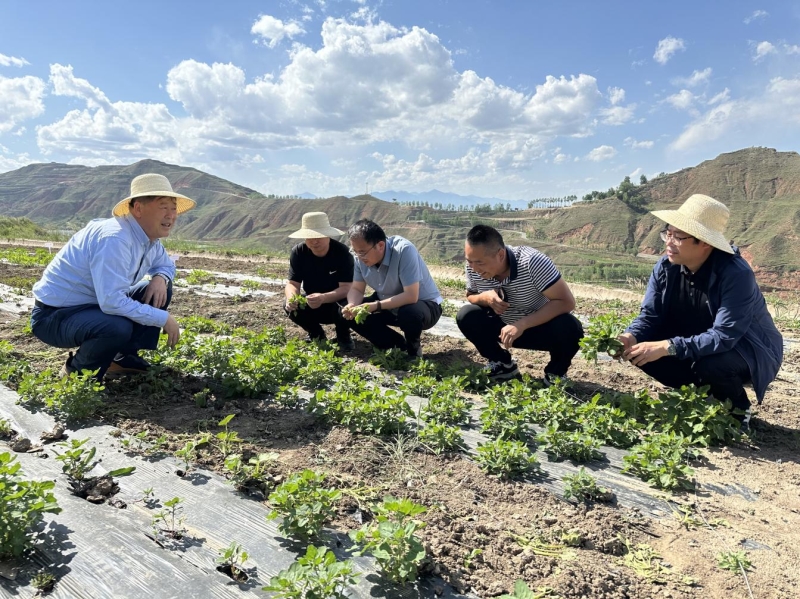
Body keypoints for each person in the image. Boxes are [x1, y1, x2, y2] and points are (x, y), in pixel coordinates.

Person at [620, 194, 783, 429]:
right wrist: (631, 335)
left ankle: (738, 410)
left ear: (705, 242)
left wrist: (667, 346)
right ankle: (703, 394)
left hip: (747, 349)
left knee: (712, 366)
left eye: (678, 237)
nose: (669, 242)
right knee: (640, 349)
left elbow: (724, 336)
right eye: (668, 233)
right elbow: (650, 316)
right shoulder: (666, 267)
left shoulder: (735, 274)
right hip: (697, 338)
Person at [30, 173, 192, 379]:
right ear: (138, 209)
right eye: (163, 207)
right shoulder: (115, 238)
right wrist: (163, 318)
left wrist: (160, 277)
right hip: (55, 316)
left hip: (93, 306)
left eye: (173, 208)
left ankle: (120, 358)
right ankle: (77, 374)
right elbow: (112, 302)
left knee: (158, 289)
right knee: (116, 327)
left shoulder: (148, 240)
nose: (171, 215)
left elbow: (166, 265)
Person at [456, 224, 584, 382]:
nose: (474, 268)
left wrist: (522, 324)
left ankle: (555, 374)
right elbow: (471, 295)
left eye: (480, 263)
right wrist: (485, 298)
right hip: (502, 329)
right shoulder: (473, 266)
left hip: (539, 328)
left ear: (500, 255)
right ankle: (502, 363)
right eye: (469, 261)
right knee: (467, 315)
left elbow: (566, 302)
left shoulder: (532, 262)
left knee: (571, 327)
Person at [342, 219, 442, 358]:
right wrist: (352, 305)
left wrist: (375, 306)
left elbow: (411, 296)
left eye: (363, 252)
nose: (359, 257)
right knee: (348, 311)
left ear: (380, 245)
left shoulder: (403, 250)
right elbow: (357, 289)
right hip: (388, 303)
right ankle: (396, 345)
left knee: (409, 312)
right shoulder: (360, 258)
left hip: (423, 306)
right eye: (355, 251)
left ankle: (413, 350)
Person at [284, 212, 354, 349]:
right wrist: (292, 298)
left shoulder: (342, 253)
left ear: (328, 236)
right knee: (289, 305)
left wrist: (323, 297)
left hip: (337, 303)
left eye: (319, 237)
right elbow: (292, 283)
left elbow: (347, 288)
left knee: (347, 305)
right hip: (312, 302)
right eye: (310, 237)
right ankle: (316, 334)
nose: (314, 241)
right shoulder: (299, 252)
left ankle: (344, 336)